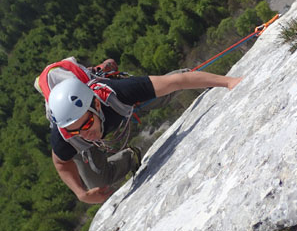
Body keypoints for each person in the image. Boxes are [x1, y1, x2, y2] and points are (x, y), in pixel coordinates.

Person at [45, 61, 243, 204]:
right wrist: (80, 193)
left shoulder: (117, 93)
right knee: (98, 181)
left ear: (96, 104)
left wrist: (228, 82)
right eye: (75, 131)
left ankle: (101, 70)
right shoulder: (65, 135)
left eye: (86, 124)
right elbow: (61, 162)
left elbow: (178, 82)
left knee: (167, 91)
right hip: (99, 119)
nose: (84, 133)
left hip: (116, 104)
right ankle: (131, 156)